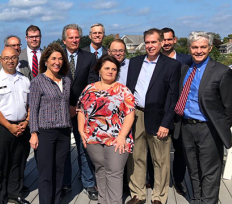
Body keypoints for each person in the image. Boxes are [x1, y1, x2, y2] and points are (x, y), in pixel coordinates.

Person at [173, 31, 232, 204]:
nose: (198, 51)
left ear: (209, 48)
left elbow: (230, 107)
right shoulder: (185, 69)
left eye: (202, 47)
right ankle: (196, 199)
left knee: (209, 171)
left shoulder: (221, 72)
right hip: (186, 126)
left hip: (208, 128)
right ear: (189, 49)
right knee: (193, 169)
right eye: (195, 47)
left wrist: (218, 127)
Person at [125, 28, 181, 204]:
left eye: (154, 42)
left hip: (159, 118)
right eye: (147, 42)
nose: (150, 46)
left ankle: (158, 196)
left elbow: (173, 97)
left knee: (161, 159)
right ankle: (138, 194)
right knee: (136, 156)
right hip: (137, 115)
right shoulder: (134, 62)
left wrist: (166, 123)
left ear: (161, 42)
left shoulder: (172, 65)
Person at [77, 55, 136, 204]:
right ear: (99, 70)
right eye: (107, 68)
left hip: (117, 138)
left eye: (114, 69)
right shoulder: (89, 89)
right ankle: (102, 201)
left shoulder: (123, 90)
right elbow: (81, 110)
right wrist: (81, 130)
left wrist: (122, 136)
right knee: (100, 171)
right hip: (93, 138)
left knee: (114, 173)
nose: (110, 71)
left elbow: (130, 114)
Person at [0, 47, 31, 204]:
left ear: (17, 58)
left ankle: (14, 194)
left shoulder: (25, 80)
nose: (10, 61)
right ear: (1, 60)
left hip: (22, 126)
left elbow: (30, 105)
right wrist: (9, 126)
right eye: (6, 58)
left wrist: (26, 121)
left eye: (13, 57)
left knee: (18, 162)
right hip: (3, 127)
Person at [29, 43, 72, 204]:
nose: (57, 62)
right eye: (54, 58)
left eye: (60, 58)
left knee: (60, 170)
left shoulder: (66, 81)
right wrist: (33, 133)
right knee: (46, 173)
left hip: (64, 132)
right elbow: (33, 109)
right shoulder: (38, 82)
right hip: (45, 132)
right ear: (46, 61)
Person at [61, 23, 99, 200]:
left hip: (82, 110)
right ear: (64, 40)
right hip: (60, 110)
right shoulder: (57, 56)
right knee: (63, 149)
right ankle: (65, 182)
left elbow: (91, 84)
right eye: (71, 37)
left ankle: (88, 182)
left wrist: (78, 107)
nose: (74, 40)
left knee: (84, 146)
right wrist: (66, 105)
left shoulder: (90, 57)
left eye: (77, 37)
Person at [160, 27, 192, 196]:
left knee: (181, 149)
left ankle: (178, 180)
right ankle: (153, 178)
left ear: (175, 40)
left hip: (181, 112)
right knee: (155, 148)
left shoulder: (187, 60)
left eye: (169, 39)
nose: (166, 43)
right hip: (160, 112)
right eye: (163, 39)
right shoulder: (154, 60)